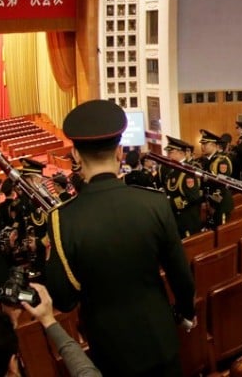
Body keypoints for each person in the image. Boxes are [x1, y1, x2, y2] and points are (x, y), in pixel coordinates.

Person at [45, 99, 196, 377]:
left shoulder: (62, 219)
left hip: (110, 351)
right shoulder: (154, 203)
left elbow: (64, 299)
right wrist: (186, 312)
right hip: (160, 337)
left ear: (76, 156)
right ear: (119, 151)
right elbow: (180, 275)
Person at [159, 136, 203, 237]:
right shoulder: (173, 169)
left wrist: (171, 203)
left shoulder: (187, 171)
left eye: (171, 152)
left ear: (181, 153)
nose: (168, 154)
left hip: (187, 220)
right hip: (177, 218)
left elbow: (193, 197)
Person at [196, 129, 235, 228]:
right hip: (211, 203)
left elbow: (222, 186)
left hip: (220, 204)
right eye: (202, 144)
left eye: (205, 144)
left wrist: (213, 204)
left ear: (214, 145)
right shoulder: (207, 161)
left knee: (222, 233)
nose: (202, 146)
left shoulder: (222, 161)